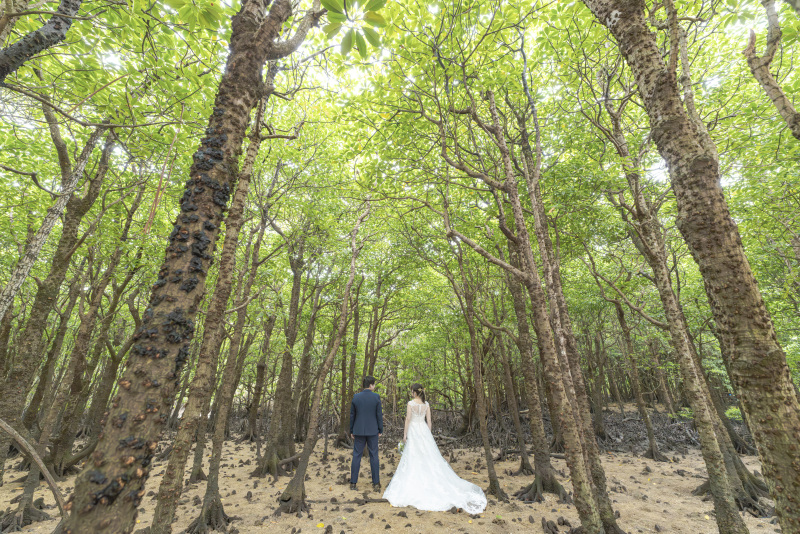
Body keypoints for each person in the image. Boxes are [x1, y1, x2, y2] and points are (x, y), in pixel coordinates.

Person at [383, 383, 486, 514]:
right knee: (426, 456)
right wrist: (428, 434)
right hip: (423, 430)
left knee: (413, 456)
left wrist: (405, 435)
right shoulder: (426, 404)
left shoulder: (410, 404)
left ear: (415, 392)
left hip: (413, 430)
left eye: (412, 391)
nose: (411, 393)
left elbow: (408, 419)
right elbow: (429, 421)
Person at [350, 375, 383, 492]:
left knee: (356, 455)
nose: (374, 386)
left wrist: (351, 430)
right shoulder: (376, 397)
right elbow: (379, 415)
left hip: (358, 430)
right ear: (371, 385)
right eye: (374, 384)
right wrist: (380, 429)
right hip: (373, 430)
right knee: (374, 455)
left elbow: (352, 415)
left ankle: (353, 483)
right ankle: (376, 483)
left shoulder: (356, 397)